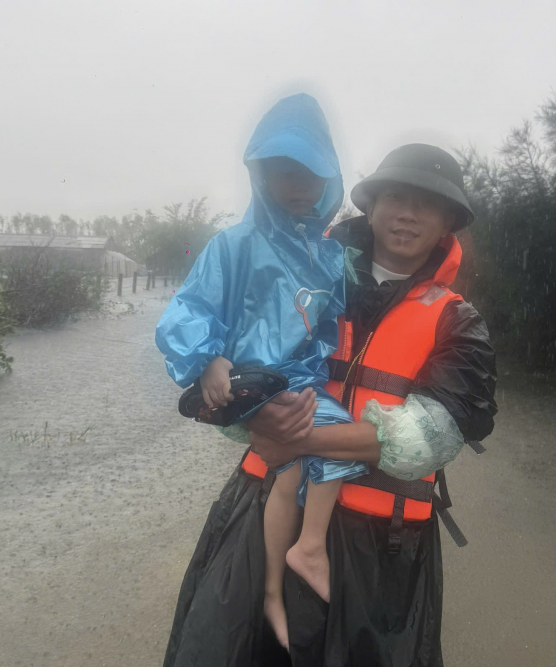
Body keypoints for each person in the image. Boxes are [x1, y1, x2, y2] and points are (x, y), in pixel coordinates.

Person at [162, 143, 497, 667]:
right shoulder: (298, 270)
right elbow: (226, 364)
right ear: (372, 205)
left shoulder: (459, 322)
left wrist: (296, 435)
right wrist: (243, 406)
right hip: (265, 509)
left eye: (426, 205)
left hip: (383, 548)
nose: (407, 214)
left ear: (448, 221)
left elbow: (430, 435)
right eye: (395, 197)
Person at [155, 93, 368, 650]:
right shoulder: (234, 244)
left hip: (299, 380)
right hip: (251, 380)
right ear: (261, 177)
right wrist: (207, 359)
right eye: (282, 173)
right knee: (324, 441)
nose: (296, 187)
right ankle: (307, 550)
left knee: (300, 462)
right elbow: (186, 310)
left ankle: (277, 584)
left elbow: (329, 326)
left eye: (308, 175)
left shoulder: (327, 256)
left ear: (328, 179)